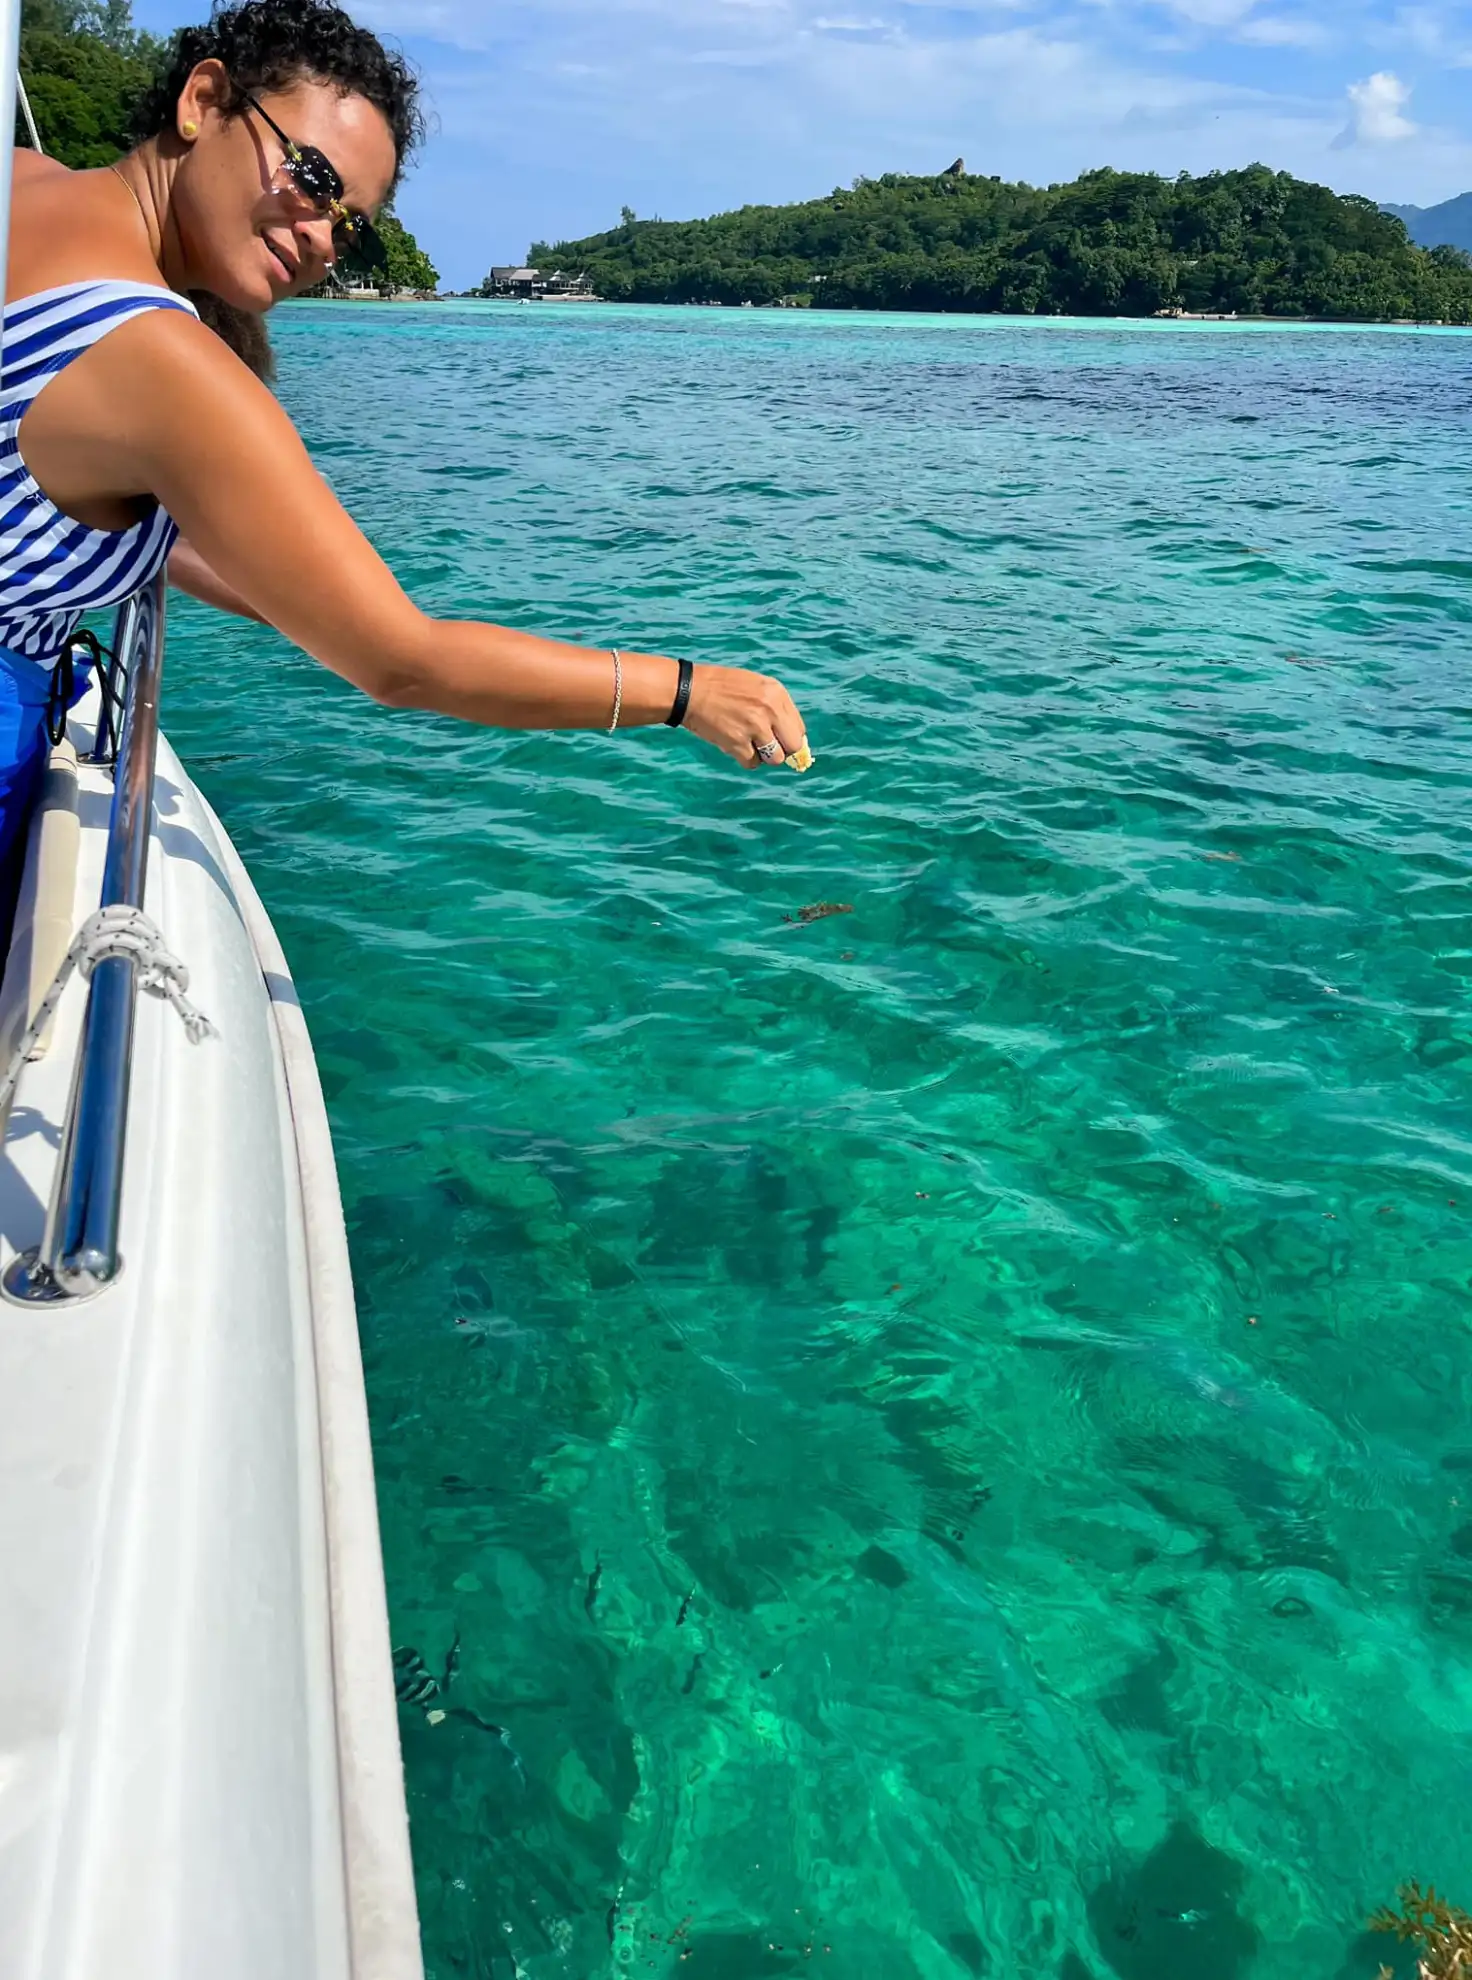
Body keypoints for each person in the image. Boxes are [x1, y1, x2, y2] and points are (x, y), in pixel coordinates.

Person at [0, 0, 810, 919]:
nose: (319, 238)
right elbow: (401, 661)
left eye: (351, 227)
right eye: (312, 177)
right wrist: (688, 693)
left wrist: (297, 597)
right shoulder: (165, 362)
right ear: (204, 99)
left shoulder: (20, 181)